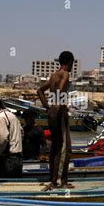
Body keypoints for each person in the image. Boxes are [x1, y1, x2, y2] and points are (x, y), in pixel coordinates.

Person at [37, 51, 75, 189]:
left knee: (55, 147)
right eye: (72, 63)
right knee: (66, 148)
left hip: (52, 113)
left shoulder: (53, 75)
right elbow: (60, 88)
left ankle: (53, 179)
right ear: (69, 61)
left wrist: (48, 107)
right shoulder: (65, 73)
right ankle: (61, 181)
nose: (72, 66)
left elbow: (40, 91)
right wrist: (59, 105)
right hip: (60, 113)